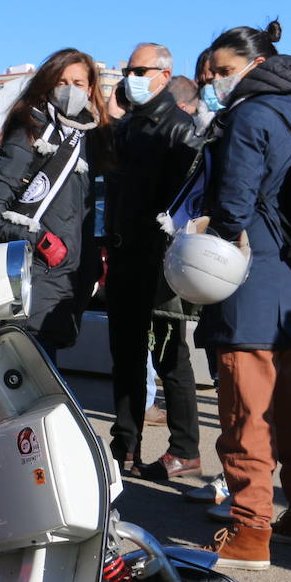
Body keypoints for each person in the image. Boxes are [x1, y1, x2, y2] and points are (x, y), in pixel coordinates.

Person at [194, 20, 291, 569]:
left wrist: (208, 236)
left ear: (254, 65)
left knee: (246, 411)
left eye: (223, 72)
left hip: (250, 276)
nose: (216, 83)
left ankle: (250, 531)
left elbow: (233, 204)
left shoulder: (250, 114)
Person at [103, 42, 201, 480]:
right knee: (124, 357)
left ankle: (184, 448)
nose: (130, 77)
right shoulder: (129, 125)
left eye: (139, 70)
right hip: (125, 257)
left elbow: (186, 204)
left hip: (160, 262)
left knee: (169, 358)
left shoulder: (178, 128)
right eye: (127, 69)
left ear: (164, 73)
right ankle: (124, 445)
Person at [0, 48, 109, 360]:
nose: (70, 90)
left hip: (70, 278)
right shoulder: (31, 130)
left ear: (90, 89)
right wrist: (41, 242)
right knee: (34, 379)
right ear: (47, 86)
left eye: (78, 82)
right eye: (61, 82)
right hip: (35, 275)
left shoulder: (91, 136)